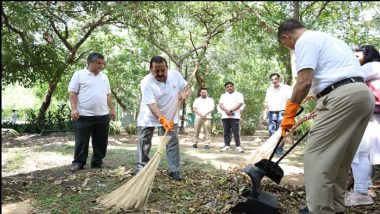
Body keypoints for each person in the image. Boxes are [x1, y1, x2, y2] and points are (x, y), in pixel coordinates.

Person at [277, 19, 375, 214]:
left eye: (287, 45)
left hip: (342, 99)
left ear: (285, 37)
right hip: (362, 95)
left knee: (315, 157)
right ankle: (336, 208)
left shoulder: (304, 41)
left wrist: (290, 112)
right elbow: (336, 75)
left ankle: (320, 210)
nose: (291, 49)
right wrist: (320, 92)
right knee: (340, 160)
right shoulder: (331, 40)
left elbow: (303, 82)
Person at [134, 56, 191, 181]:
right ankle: (141, 167)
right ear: (150, 70)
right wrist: (162, 119)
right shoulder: (146, 82)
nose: (160, 73)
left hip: (171, 115)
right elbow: (151, 104)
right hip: (148, 116)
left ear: (167, 68)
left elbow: (188, 87)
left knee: (172, 143)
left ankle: (174, 170)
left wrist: (185, 94)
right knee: (144, 141)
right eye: (156, 71)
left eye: (162, 70)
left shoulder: (175, 75)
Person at [68, 52, 116, 172]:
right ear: (89, 62)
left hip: (102, 115)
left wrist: (112, 109)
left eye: (102, 64)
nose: (100, 66)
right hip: (83, 115)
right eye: (98, 63)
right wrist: (74, 109)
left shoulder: (104, 77)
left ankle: (97, 162)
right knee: (81, 141)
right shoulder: (78, 75)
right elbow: (72, 93)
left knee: (101, 141)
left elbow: (108, 95)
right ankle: (78, 163)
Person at [344, 45, 380, 206]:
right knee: (366, 154)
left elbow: (349, 84)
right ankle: (366, 187)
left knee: (359, 154)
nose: (354, 60)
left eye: (357, 56)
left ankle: (360, 194)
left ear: (368, 56)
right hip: (374, 117)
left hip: (368, 118)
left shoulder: (369, 67)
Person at [263, 73, 292, 155]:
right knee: (271, 131)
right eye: (272, 79)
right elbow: (266, 102)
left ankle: (279, 149)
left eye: (276, 79)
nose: (274, 81)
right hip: (271, 112)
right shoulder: (269, 90)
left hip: (283, 112)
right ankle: (272, 148)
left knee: (281, 131)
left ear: (279, 79)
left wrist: (290, 112)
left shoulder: (287, 88)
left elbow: (291, 100)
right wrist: (265, 112)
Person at [218, 81, 245, 153]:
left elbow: (240, 104)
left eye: (230, 86)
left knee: (236, 132)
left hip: (235, 116)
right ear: (225, 88)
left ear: (233, 86)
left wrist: (231, 110)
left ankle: (238, 146)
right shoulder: (223, 95)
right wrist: (227, 111)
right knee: (226, 132)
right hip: (225, 116)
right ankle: (226, 145)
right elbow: (220, 104)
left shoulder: (239, 94)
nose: (229, 88)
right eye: (227, 87)